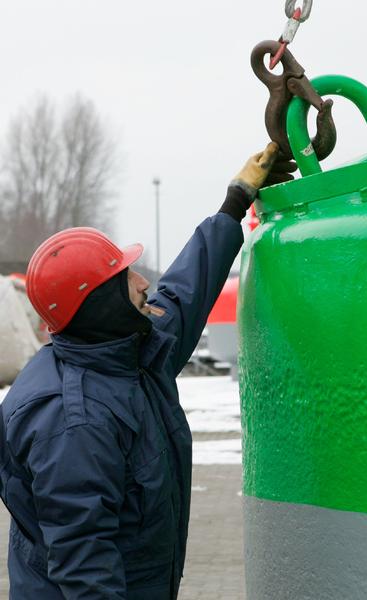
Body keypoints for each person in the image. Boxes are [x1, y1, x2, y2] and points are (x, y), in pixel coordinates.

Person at [0, 142, 296, 599]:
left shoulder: (128, 351)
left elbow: (183, 292)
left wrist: (234, 202)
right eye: (126, 277)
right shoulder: (72, 421)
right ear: (99, 305)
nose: (143, 284)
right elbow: (85, 570)